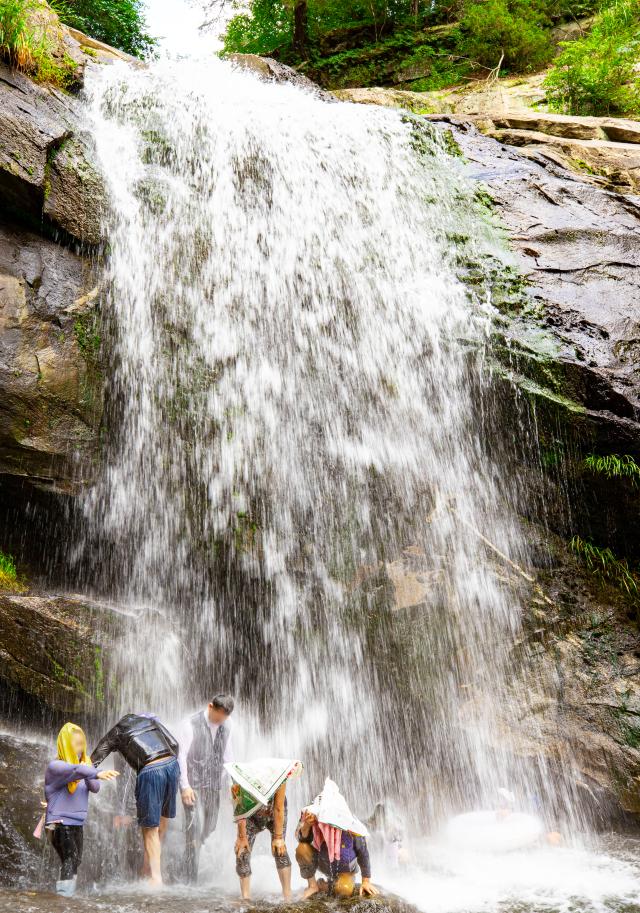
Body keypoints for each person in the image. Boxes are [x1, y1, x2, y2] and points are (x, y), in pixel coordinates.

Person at [91, 712, 179, 887]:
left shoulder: (116, 732)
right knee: (162, 821)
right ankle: (148, 869)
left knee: (149, 830)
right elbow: (174, 744)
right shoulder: (149, 721)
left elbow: (92, 762)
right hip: (172, 765)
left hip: (151, 770)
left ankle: (155, 879)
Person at [44, 722, 119, 896]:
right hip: (59, 823)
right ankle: (64, 898)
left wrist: (89, 768)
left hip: (76, 823)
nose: (81, 747)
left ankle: (67, 894)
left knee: (75, 859)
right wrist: (93, 771)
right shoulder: (56, 767)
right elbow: (75, 769)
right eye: (77, 744)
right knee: (70, 858)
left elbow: (95, 788)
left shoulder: (83, 768)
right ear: (66, 744)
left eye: (82, 743)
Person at [225, 757, 303, 901]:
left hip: (274, 813)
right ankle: (246, 898)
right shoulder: (238, 780)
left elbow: (279, 808)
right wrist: (241, 837)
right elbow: (239, 811)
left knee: (280, 850)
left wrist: (279, 838)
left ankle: (287, 895)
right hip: (250, 817)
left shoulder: (277, 777)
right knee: (242, 853)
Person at [176, 693, 235, 883]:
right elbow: (181, 756)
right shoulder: (189, 724)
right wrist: (184, 786)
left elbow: (228, 757)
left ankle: (192, 865)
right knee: (194, 829)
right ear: (210, 706)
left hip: (213, 785)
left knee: (210, 830)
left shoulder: (228, 725)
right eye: (217, 717)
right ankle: (189, 881)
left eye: (223, 718)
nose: (220, 721)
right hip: (192, 785)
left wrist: (231, 786)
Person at [296, 779, 378, 900]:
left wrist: (366, 880)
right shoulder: (313, 818)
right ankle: (313, 885)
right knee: (302, 848)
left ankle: (327, 886)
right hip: (323, 862)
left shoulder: (351, 826)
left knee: (343, 890)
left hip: (345, 868)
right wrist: (307, 825)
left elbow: (363, 853)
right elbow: (302, 839)